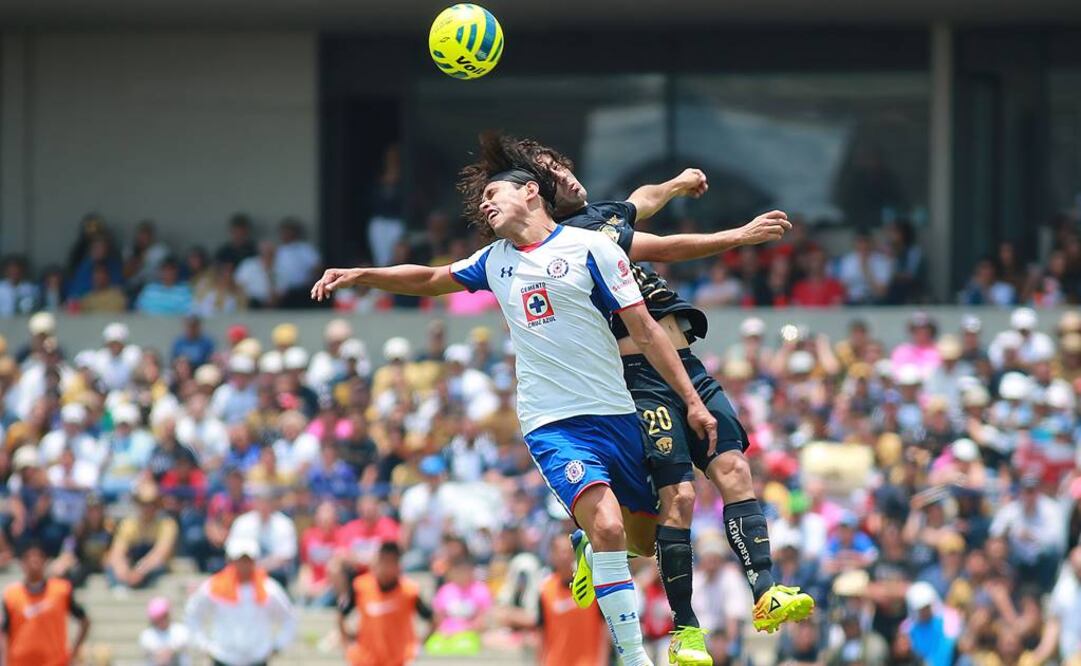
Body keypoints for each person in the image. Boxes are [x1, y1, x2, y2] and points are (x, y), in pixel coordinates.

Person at [312, 143, 722, 666]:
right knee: (611, 528)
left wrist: (692, 400)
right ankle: (636, 656)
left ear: (530, 191)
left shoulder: (592, 250)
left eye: (493, 192)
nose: (484, 204)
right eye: (481, 198)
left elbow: (645, 330)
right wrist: (363, 275)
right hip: (552, 422)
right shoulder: (495, 260)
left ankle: (586, 546)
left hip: (615, 410)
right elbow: (433, 279)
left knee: (640, 538)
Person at [506, 133, 812, 642]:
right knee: (676, 501)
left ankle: (766, 591)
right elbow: (663, 246)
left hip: (685, 362)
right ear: (536, 193)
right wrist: (739, 235)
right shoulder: (565, 241)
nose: (566, 170)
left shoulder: (600, 215)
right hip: (634, 377)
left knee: (734, 467)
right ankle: (684, 629)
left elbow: (638, 202)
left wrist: (675, 184)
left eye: (561, 162)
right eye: (551, 171)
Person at [185, 537, 297, 666]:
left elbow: (289, 618)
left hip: (257, 659)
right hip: (223, 658)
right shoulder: (214, 586)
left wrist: (277, 646)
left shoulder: (268, 588)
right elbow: (193, 613)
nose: (243, 565)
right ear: (230, 561)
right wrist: (203, 644)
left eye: (247, 560)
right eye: (239, 560)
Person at [339, 541, 432, 666]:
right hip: (366, 660)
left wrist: (418, 645)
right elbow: (342, 614)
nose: (386, 567)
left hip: (398, 661)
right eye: (383, 561)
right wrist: (348, 644)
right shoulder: (361, 586)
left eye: (391, 562)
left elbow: (433, 619)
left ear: (398, 565)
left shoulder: (409, 591)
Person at [1, 540, 91, 666]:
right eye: (29, 558)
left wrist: (75, 650)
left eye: (38, 557)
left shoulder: (61, 590)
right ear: (22, 563)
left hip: (54, 662)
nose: (34, 561)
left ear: (45, 561)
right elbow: (4, 632)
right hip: (19, 662)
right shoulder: (12, 595)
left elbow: (84, 620)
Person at [106, 483, 178, 590]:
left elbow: (160, 554)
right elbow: (117, 552)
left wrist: (140, 571)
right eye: (144, 504)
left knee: (158, 570)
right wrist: (122, 570)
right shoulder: (128, 524)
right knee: (112, 569)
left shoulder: (167, 524)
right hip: (132, 566)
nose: (148, 508)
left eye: (152, 504)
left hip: (153, 569)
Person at [139, 596, 191, 666]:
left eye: (163, 616)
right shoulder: (147, 635)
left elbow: (179, 648)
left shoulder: (180, 630)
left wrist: (170, 652)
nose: (161, 620)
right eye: (158, 618)